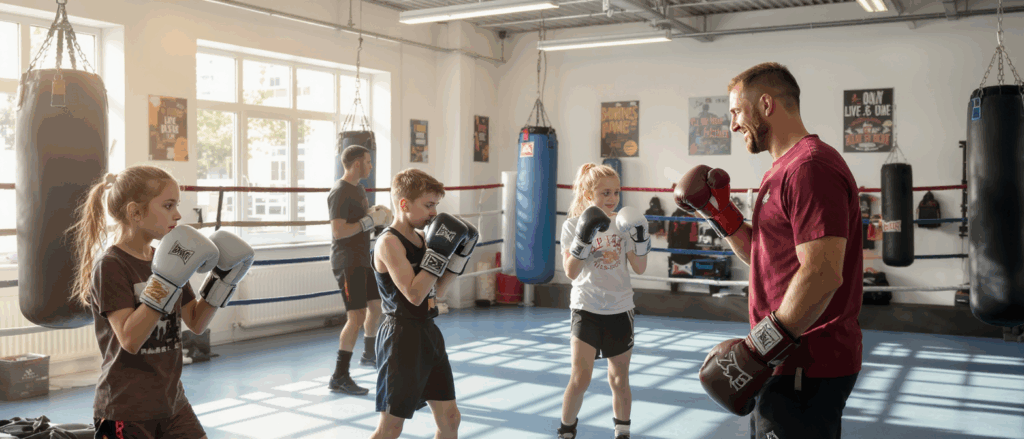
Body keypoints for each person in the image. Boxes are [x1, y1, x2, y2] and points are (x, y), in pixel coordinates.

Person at [674, 62, 863, 439]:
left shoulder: (810, 167)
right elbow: (762, 255)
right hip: (784, 361)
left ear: (765, 104)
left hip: (805, 364)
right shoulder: (781, 170)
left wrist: (756, 351)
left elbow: (822, 273)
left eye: (736, 112)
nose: (732, 125)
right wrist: (718, 212)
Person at [67, 165, 255, 439]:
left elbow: (196, 321)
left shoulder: (169, 257)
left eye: (176, 205)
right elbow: (130, 339)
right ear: (135, 212)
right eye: (168, 206)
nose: (177, 214)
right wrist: (166, 281)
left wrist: (222, 280)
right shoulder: (112, 265)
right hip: (126, 408)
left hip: (172, 402)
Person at [370, 168, 477, 439]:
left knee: (450, 420)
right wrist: (439, 253)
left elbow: (435, 291)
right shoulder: (389, 243)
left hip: (428, 332)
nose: (433, 213)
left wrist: (457, 259)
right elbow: (414, 294)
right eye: (428, 205)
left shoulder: (422, 239)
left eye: (435, 205)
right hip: (400, 337)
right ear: (404, 204)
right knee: (391, 428)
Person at [557, 163, 651, 439]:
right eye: (604, 193)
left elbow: (640, 267)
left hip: (620, 308)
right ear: (588, 194)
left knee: (619, 379)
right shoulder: (573, 225)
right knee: (580, 378)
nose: (612, 199)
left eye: (616, 192)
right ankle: (566, 430)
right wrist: (584, 238)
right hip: (586, 307)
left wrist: (640, 238)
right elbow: (571, 272)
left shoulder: (624, 224)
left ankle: (622, 432)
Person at [327, 145, 393, 394]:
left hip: (362, 258)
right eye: (368, 161)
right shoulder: (340, 191)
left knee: (376, 307)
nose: (371, 165)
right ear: (356, 164)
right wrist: (368, 221)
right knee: (355, 317)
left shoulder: (359, 188)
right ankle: (339, 376)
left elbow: (361, 221)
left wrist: (376, 219)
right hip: (347, 262)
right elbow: (339, 231)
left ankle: (368, 354)